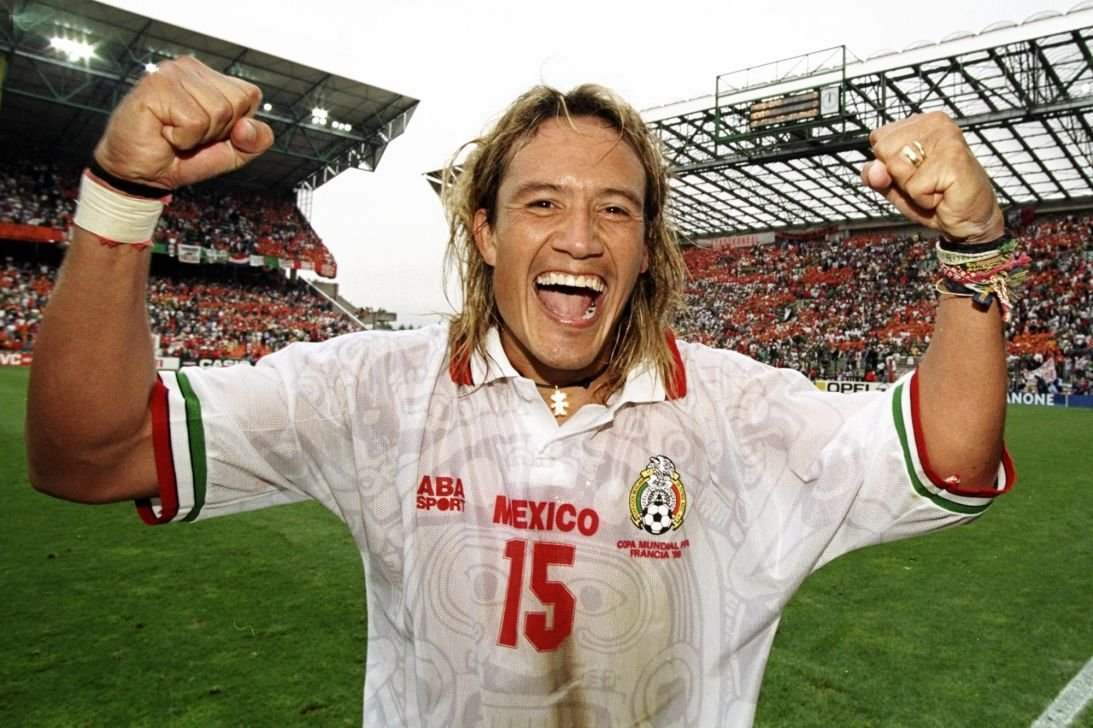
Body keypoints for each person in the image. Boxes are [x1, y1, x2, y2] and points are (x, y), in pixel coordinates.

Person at [26, 56, 1018, 726]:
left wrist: (972, 244)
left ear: (644, 248)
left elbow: (949, 458)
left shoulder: (742, 412)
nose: (579, 237)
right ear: (487, 233)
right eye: (542, 203)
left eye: (614, 211)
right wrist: (120, 195)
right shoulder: (374, 387)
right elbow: (91, 453)